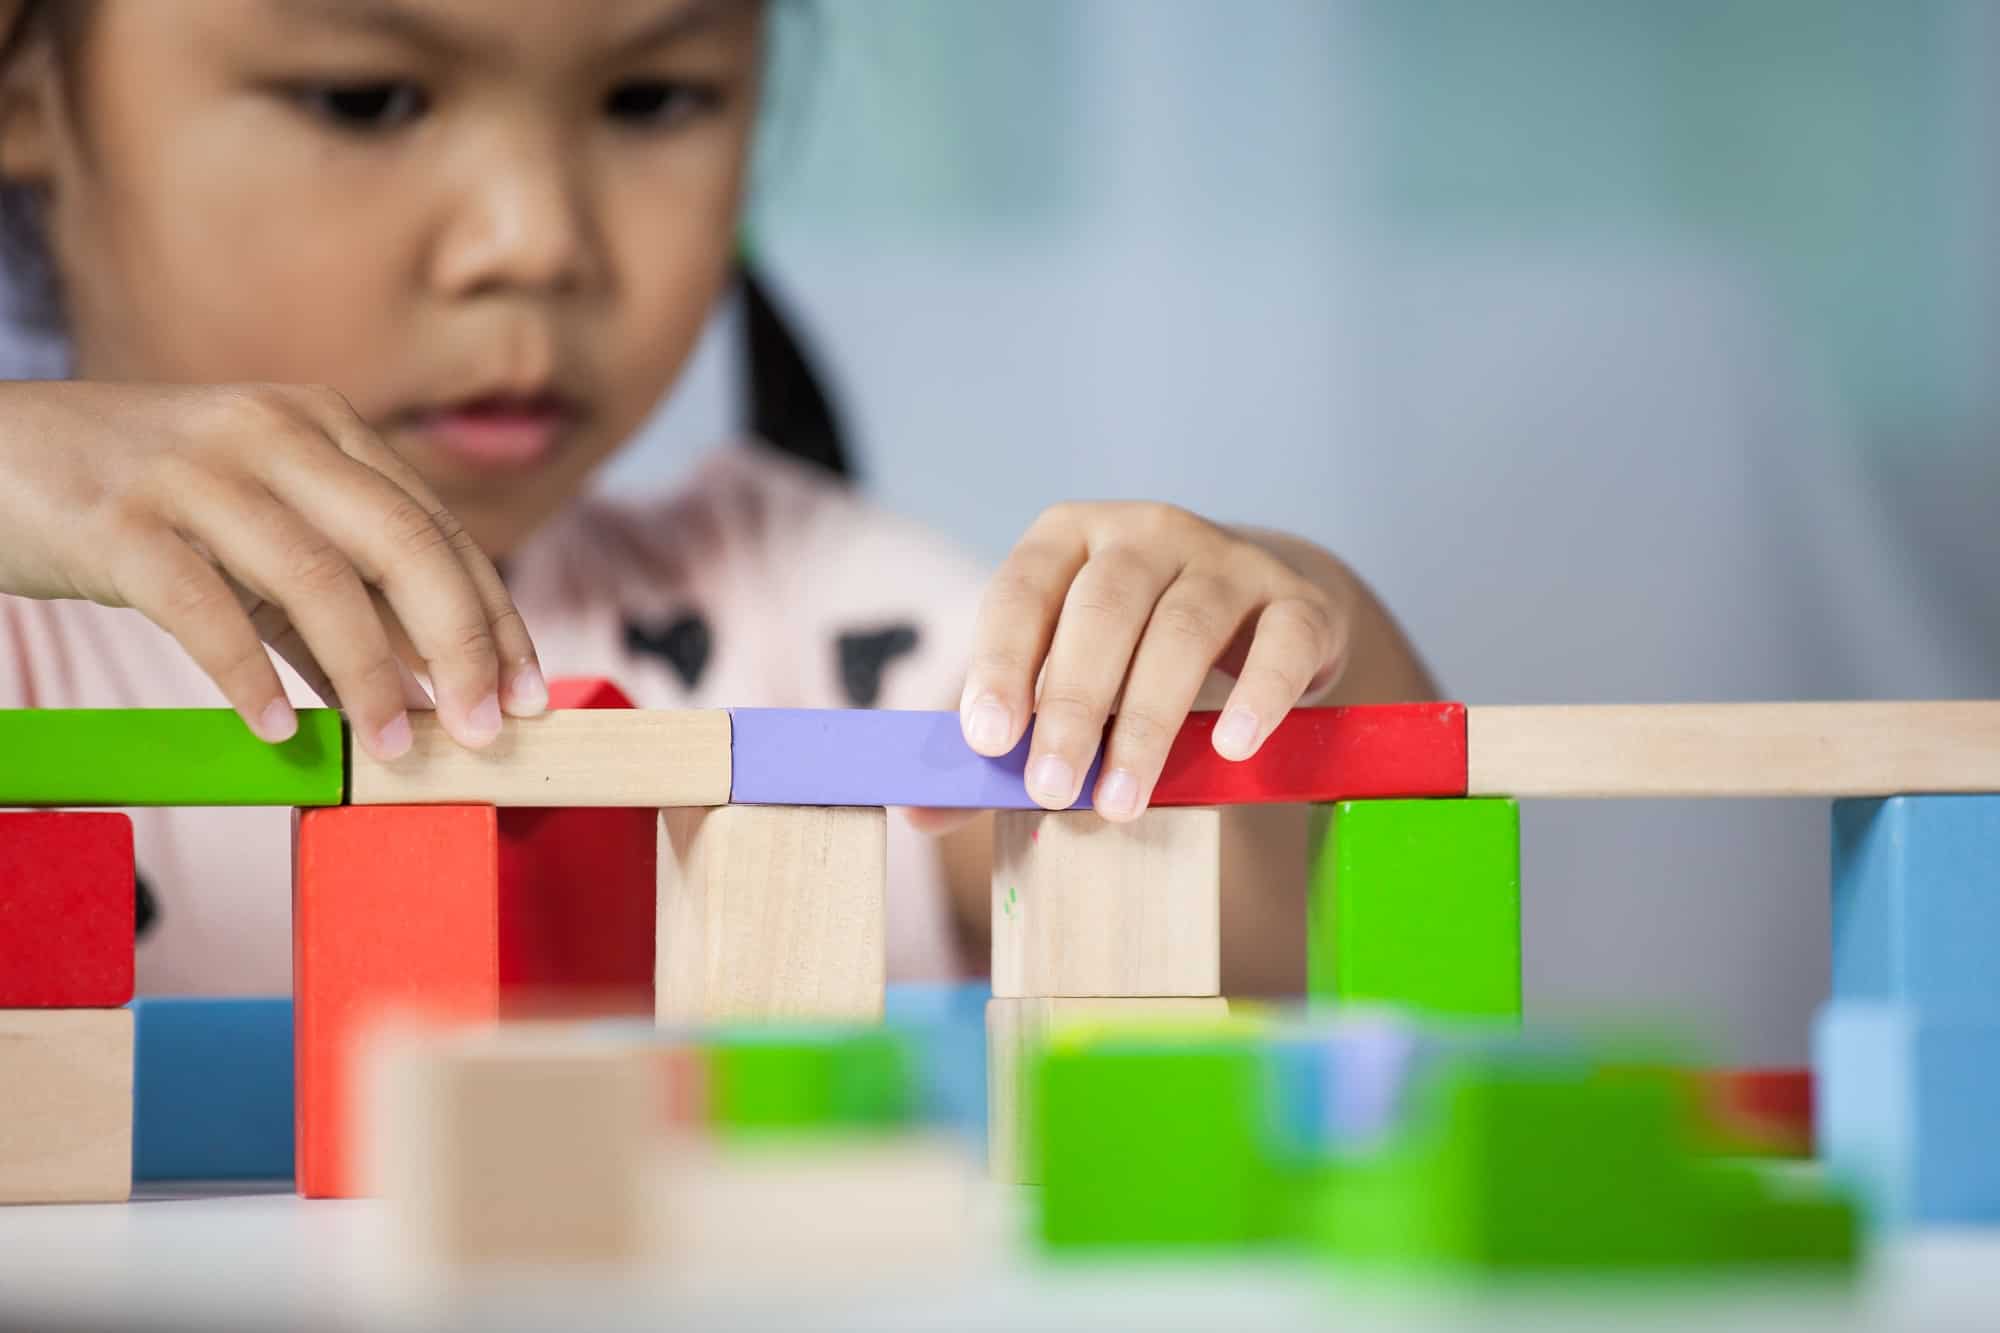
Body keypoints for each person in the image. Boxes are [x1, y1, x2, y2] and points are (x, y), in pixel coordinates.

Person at [0, 0, 1435, 997]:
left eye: (652, 98)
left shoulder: (813, 612)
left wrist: (1269, 644)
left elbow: (1269, 946)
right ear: (27, 89)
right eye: (366, 98)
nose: (535, 241)